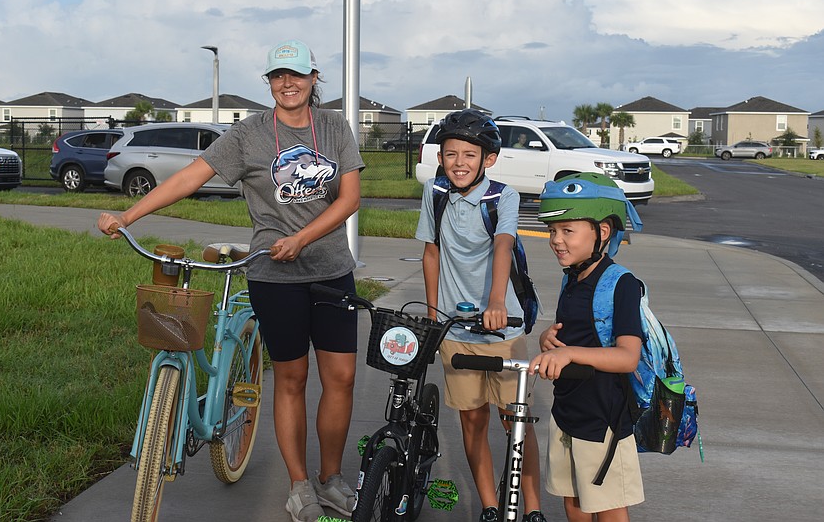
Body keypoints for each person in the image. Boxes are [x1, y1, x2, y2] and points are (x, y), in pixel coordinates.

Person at [98, 39, 364, 522]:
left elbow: (348, 200)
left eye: (297, 75)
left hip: (330, 270)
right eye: (278, 76)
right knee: (291, 377)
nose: (288, 83)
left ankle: (332, 479)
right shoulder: (250, 134)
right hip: (272, 273)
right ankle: (299, 486)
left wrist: (302, 238)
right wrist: (129, 213)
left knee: (340, 378)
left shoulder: (334, 127)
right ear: (269, 83)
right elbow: (190, 177)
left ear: (313, 79)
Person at [415, 109, 547, 522]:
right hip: (457, 329)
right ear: (440, 158)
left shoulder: (502, 197)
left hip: (502, 325)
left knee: (516, 422)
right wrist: (435, 311)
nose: (459, 162)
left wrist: (495, 302)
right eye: (450, 153)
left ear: (488, 160)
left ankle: (533, 509)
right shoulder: (435, 193)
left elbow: (503, 246)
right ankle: (490, 506)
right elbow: (431, 251)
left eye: (469, 155)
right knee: (473, 421)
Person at [529, 172, 646, 522]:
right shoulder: (572, 278)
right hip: (568, 412)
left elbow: (628, 357)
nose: (556, 240)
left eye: (568, 231)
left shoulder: (622, 284)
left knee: (608, 506)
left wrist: (568, 354)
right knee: (574, 502)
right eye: (553, 231)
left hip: (604, 420)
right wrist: (548, 340)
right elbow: (576, 335)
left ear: (602, 232)